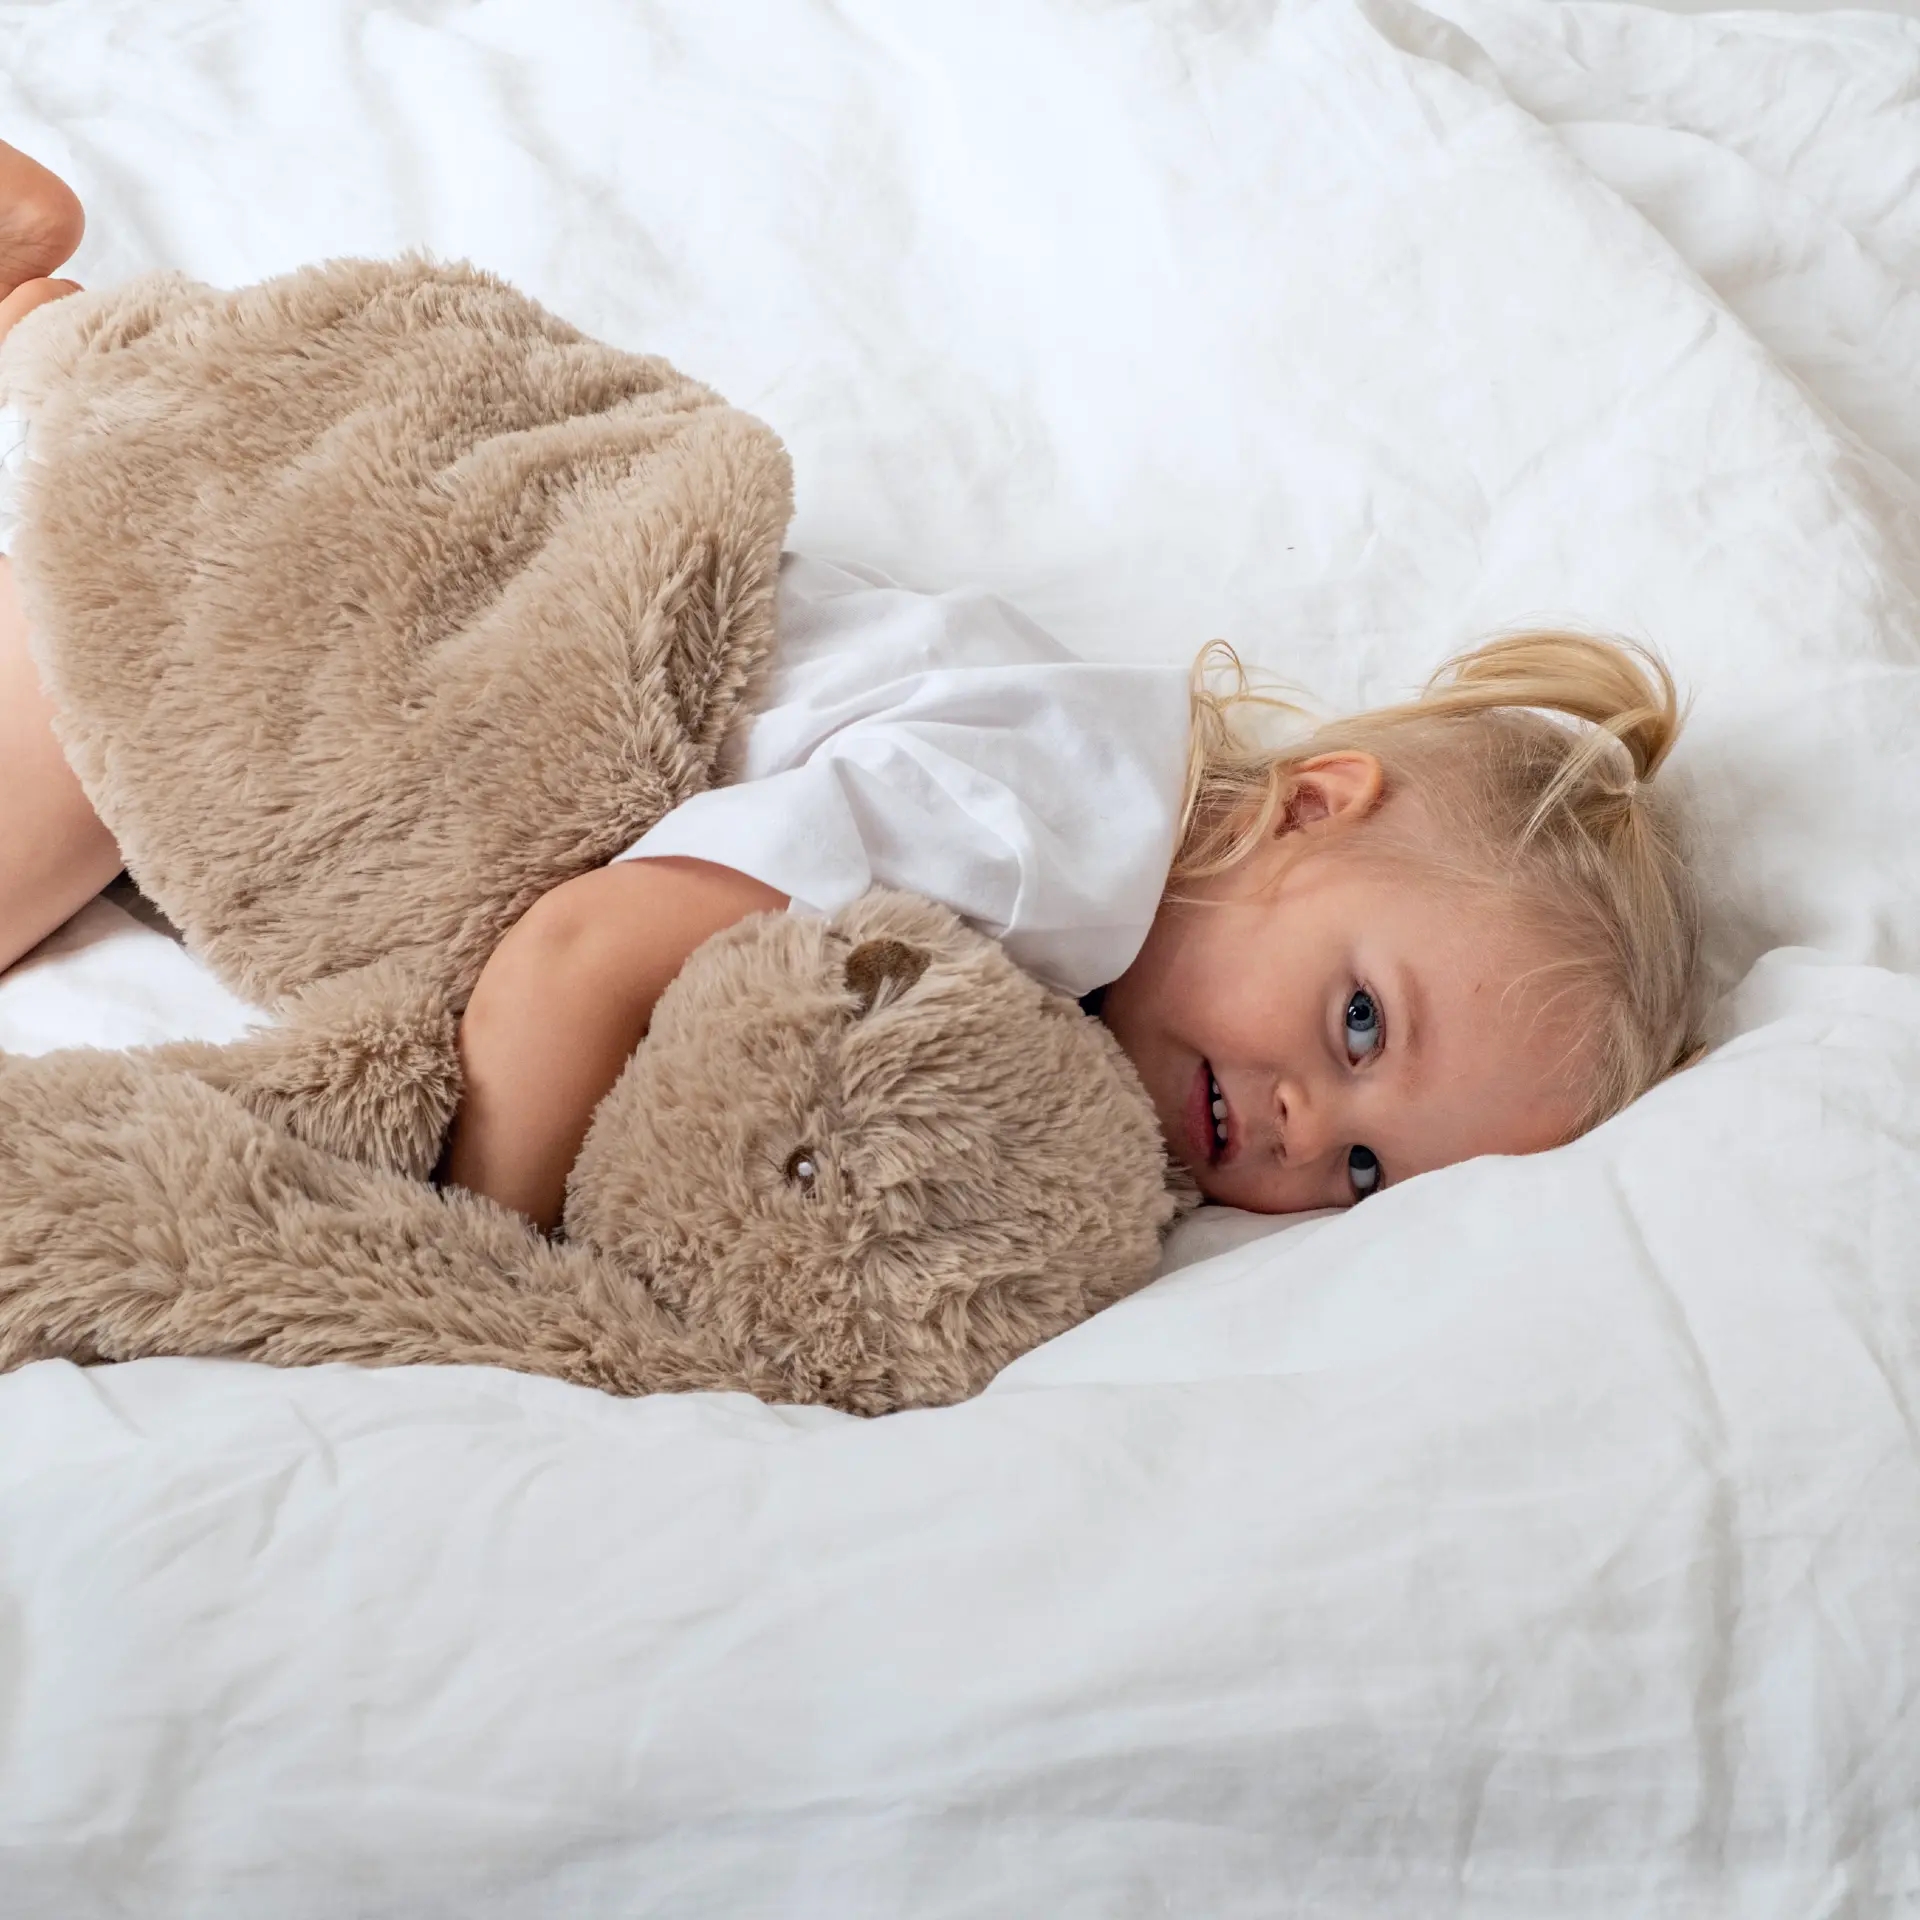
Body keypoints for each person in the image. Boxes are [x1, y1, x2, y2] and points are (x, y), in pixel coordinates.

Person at [0, 145, 1700, 1233]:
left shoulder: (1076, 960)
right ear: (1313, 807)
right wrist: (501, 1259)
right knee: (101, 744)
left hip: (365, 546)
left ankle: (34, 304)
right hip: (362, 609)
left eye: (1365, 1171)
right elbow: (579, 955)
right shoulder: (1049, 840)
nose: (1299, 1126)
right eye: (1359, 1024)